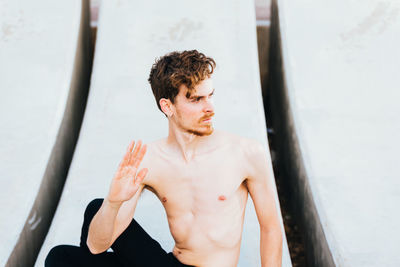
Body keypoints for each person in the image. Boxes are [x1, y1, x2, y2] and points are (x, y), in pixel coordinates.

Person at [45, 50, 282, 267]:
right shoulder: (149, 159)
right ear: (167, 106)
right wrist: (114, 201)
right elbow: (95, 247)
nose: (209, 107)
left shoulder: (245, 153)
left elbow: (271, 228)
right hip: (171, 264)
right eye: (196, 99)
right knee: (66, 250)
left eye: (210, 96)